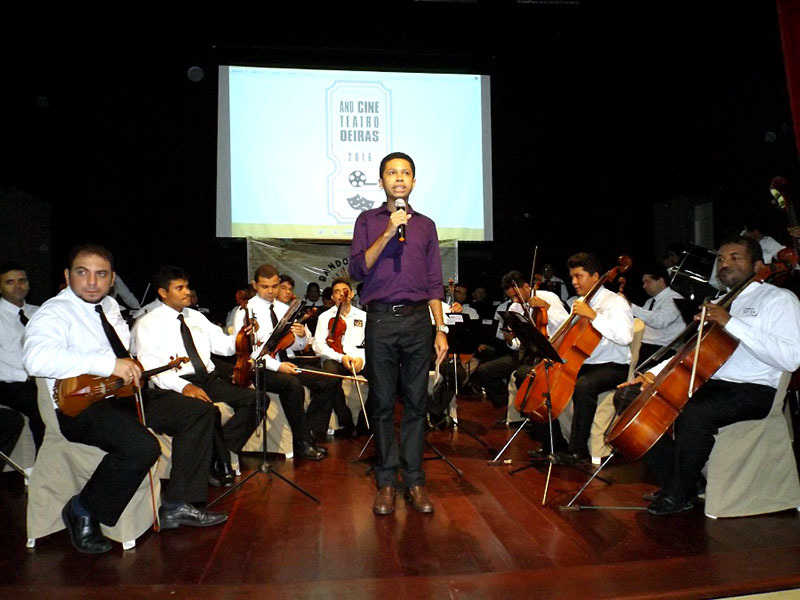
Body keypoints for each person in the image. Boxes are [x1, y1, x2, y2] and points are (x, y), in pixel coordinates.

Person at [22, 244, 225, 554]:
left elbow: (121, 354)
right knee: (142, 447)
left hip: (119, 395)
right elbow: (35, 359)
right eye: (82, 272)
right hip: (79, 406)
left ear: (112, 279)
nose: (92, 282)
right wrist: (106, 364)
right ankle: (83, 509)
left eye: (101, 274)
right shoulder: (54, 312)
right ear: (67, 276)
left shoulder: (109, 308)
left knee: (199, 411)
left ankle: (175, 504)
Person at [623, 236, 800, 515]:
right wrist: (651, 374)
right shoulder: (719, 302)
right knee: (632, 397)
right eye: (721, 258)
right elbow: (690, 351)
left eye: (735, 257)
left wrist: (731, 323)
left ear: (757, 265)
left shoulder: (778, 299)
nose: (725, 263)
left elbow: (791, 358)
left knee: (694, 412)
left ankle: (679, 492)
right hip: (710, 381)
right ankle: (680, 483)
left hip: (754, 389)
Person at [349, 151, 448, 515]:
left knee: (417, 403)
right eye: (392, 172)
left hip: (419, 322)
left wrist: (440, 328)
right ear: (381, 182)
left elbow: (435, 281)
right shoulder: (367, 220)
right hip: (380, 320)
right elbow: (357, 269)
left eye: (406, 172)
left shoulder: (426, 225)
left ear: (414, 182)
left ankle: (416, 481)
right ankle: (387, 480)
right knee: (382, 402)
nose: (399, 178)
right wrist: (390, 230)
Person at [134, 265, 261, 486]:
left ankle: (219, 452)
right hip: (177, 384)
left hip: (208, 379)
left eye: (187, 286)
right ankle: (219, 461)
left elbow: (224, 346)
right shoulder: (148, 323)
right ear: (163, 293)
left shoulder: (196, 317)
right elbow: (150, 365)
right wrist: (183, 387)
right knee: (207, 411)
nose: (187, 292)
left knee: (257, 399)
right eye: (179, 288)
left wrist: (243, 336)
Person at [232, 263, 337, 460]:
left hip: (286, 361)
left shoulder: (284, 309)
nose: (270, 291)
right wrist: (279, 366)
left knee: (328, 380)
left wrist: (300, 337)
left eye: (274, 286)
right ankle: (302, 443)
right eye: (265, 287)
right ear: (255, 285)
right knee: (292, 384)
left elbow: (297, 346)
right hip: (261, 368)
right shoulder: (245, 311)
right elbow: (251, 352)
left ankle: (310, 433)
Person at [537, 253, 633, 462]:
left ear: (596, 276)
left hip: (613, 365)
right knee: (543, 378)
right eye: (571, 277)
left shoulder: (615, 302)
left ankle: (577, 450)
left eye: (578, 276)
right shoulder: (580, 302)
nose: (573, 282)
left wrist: (593, 315)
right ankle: (555, 442)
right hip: (585, 362)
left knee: (584, 385)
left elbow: (625, 337)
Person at [471, 270, 568, 411]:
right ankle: (508, 405)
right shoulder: (514, 307)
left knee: (522, 373)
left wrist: (546, 308)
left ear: (526, 287)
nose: (515, 300)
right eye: (511, 297)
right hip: (525, 354)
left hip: (547, 353)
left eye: (516, 295)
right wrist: (510, 341)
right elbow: (517, 345)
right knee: (485, 371)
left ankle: (531, 410)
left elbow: (565, 325)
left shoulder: (548, 297)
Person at [309, 277, 367, 438]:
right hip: (336, 359)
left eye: (345, 291)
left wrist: (361, 359)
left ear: (352, 294)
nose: (341, 294)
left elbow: (369, 344)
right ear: (332, 297)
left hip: (358, 360)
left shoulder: (363, 316)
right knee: (329, 377)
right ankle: (335, 421)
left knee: (383, 376)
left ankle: (365, 424)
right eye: (336, 292)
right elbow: (318, 345)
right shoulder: (324, 317)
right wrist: (341, 357)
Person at [0, 262, 45, 452]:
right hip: (9, 382)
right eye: (10, 282)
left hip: (42, 377)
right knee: (41, 408)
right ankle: (44, 471)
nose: (18, 286)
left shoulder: (40, 312)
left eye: (22, 281)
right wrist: (26, 376)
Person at [623, 265, 685, 363]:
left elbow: (659, 321)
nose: (644, 286)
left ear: (661, 280)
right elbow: (638, 322)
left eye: (647, 282)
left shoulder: (675, 299)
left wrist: (631, 306)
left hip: (662, 350)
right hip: (644, 345)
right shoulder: (650, 302)